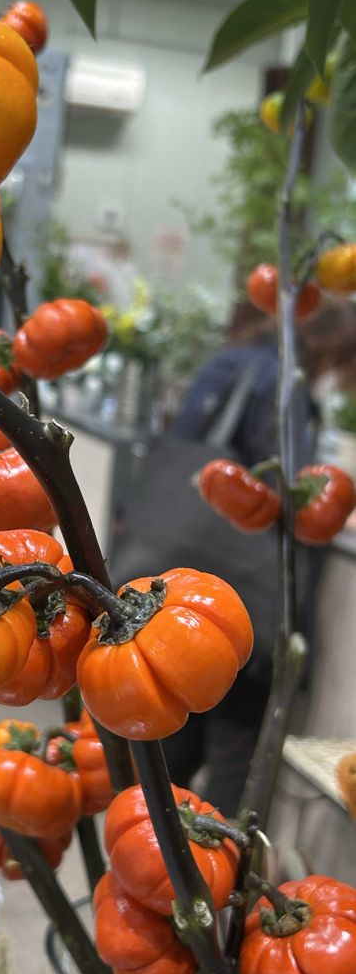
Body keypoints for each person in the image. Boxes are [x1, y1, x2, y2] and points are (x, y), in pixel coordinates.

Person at [157, 300, 356, 816]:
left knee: (169, 741)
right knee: (234, 757)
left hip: (177, 589)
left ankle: (150, 844)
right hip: (243, 599)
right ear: (336, 354)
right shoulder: (283, 387)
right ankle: (209, 860)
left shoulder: (232, 361)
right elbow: (286, 493)